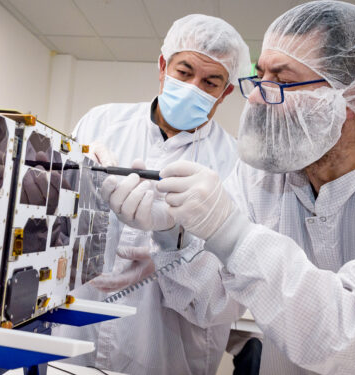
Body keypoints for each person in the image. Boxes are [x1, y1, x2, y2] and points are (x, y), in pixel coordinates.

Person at [148, 2, 355, 373]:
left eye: (282, 79)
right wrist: (172, 233)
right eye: (260, 75)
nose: (257, 96)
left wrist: (232, 236)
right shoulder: (260, 178)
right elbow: (207, 304)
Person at [52, 14, 250, 375]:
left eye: (211, 82)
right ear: (162, 66)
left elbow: (230, 293)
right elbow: (56, 222)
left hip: (166, 352)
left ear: (226, 93)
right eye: (184, 72)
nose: (193, 87)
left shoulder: (237, 165)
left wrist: (175, 244)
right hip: (74, 341)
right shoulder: (101, 123)